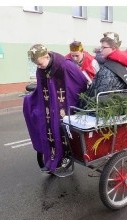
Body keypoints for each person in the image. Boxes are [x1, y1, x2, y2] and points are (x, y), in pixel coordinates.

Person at [23, 44, 87, 172]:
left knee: (59, 130)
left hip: (65, 105)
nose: (39, 67)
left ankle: (60, 158)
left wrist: (74, 101)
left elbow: (81, 82)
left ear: (47, 56)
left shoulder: (65, 65)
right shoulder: (41, 69)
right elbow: (41, 89)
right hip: (49, 107)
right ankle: (51, 159)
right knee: (44, 125)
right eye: (37, 65)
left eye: (40, 64)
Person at [85, 32, 127, 101]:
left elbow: (99, 94)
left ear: (113, 48)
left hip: (110, 106)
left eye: (103, 47)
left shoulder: (107, 69)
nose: (101, 50)